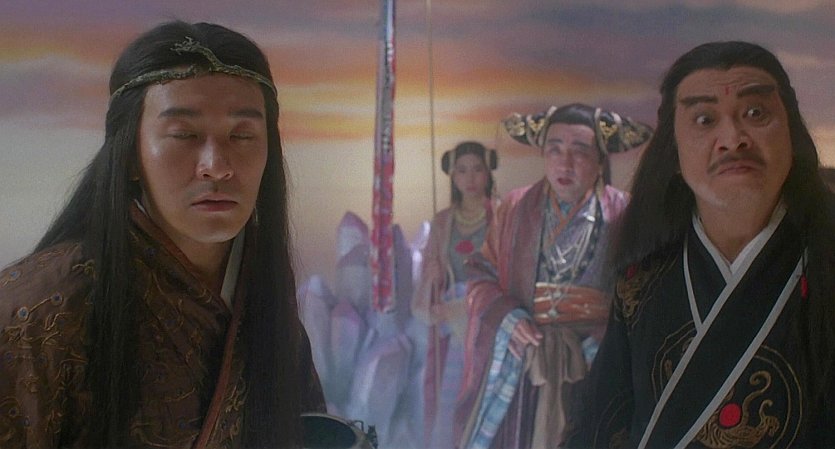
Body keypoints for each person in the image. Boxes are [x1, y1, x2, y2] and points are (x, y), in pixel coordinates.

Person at [0, 21, 325, 448]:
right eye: (184, 135)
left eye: (242, 135)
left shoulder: (263, 293)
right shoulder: (35, 311)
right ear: (130, 155)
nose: (216, 166)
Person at [566, 41, 835, 448]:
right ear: (674, 153)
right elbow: (603, 422)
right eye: (705, 119)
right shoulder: (641, 277)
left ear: (792, 135)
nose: (733, 138)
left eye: (755, 113)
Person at [455, 104, 652, 449]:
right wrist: (509, 318)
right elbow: (480, 274)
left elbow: (645, 292)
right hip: (527, 363)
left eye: (580, 151)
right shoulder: (515, 207)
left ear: (600, 160)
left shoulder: (626, 213)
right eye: (555, 150)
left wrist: (605, 340)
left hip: (597, 360)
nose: (565, 164)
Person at [412, 141, 498, 448]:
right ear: (452, 175)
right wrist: (432, 278)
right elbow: (429, 280)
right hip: (451, 324)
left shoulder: (501, 215)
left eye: (477, 169)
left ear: (488, 172)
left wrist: (472, 304)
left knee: (484, 393)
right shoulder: (443, 221)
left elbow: (509, 272)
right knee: (449, 396)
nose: (470, 178)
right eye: (462, 170)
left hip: (487, 317)